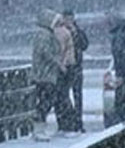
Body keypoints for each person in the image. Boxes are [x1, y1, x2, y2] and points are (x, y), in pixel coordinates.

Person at [30, 11, 63, 141]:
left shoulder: (44, 34)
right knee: (45, 101)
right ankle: (38, 129)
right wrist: (57, 62)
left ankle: (39, 128)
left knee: (45, 101)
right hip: (44, 74)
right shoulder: (44, 35)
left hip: (44, 74)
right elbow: (45, 52)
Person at [59, 10, 89, 134]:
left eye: (70, 18)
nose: (68, 21)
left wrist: (76, 33)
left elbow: (84, 45)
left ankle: (78, 121)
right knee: (63, 95)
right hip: (64, 67)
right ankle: (67, 121)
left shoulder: (78, 31)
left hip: (76, 67)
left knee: (78, 96)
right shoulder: (60, 32)